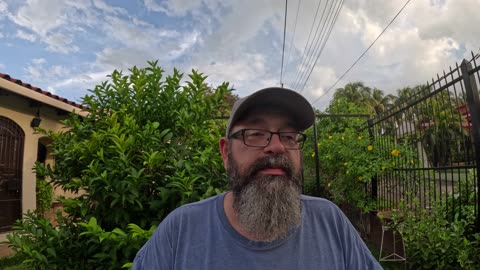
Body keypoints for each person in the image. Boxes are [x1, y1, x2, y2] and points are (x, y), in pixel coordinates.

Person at [132, 87, 382, 269]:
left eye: (289, 136)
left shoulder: (330, 222)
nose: (277, 147)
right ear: (225, 152)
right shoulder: (180, 232)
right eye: (255, 133)